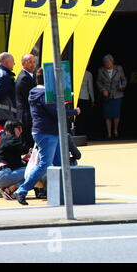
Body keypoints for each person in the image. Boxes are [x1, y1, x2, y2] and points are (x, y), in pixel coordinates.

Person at [14, 68, 80, 205]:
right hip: (47, 132)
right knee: (44, 165)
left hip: (46, 132)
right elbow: (56, 112)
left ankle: (61, 193)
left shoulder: (35, 92)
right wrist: (73, 111)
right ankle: (22, 190)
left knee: (58, 164)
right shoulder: (45, 94)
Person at [0, 120, 30, 200]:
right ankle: (9, 190)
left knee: (26, 171)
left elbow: (10, 159)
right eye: (19, 128)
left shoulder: (3, 139)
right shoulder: (13, 140)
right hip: (4, 175)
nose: (21, 131)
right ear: (14, 129)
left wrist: (23, 157)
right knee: (32, 171)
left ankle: (5, 189)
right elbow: (25, 149)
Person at [96, 54, 127, 139]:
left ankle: (115, 130)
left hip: (117, 94)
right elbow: (98, 82)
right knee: (107, 114)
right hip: (106, 95)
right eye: (106, 63)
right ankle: (109, 133)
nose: (107, 64)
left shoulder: (119, 68)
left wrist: (122, 86)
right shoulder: (101, 70)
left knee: (116, 114)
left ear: (112, 62)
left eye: (109, 63)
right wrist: (103, 90)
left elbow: (124, 80)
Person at [15, 54, 37, 150]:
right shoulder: (24, 78)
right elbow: (30, 97)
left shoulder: (29, 76)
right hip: (26, 116)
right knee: (28, 144)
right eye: (29, 62)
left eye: (34, 62)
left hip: (27, 115)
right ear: (23, 64)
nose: (33, 64)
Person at [75, 70, 95, 138]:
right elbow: (90, 87)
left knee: (76, 116)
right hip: (84, 97)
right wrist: (93, 99)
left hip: (75, 97)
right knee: (83, 116)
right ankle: (83, 132)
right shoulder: (88, 74)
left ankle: (77, 131)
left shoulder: (75, 71)